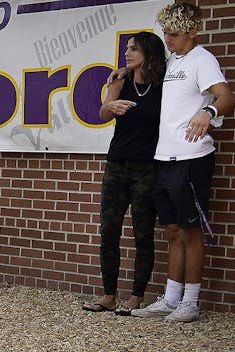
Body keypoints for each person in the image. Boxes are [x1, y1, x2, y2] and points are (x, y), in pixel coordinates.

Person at [132, 2, 235, 322]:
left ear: (192, 31)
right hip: (165, 158)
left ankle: (190, 302)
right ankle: (171, 297)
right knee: (173, 230)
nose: (168, 39)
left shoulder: (202, 60)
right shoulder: (174, 59)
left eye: (174, 34)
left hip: (191, 158)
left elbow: (227, 96)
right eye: (165, 32)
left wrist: (209, 112)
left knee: (191, 232)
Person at [84, 32, 167, 316]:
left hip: (148, 166)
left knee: (143, 233)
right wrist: (111, 106)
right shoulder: (120, 79)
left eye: (134, 49)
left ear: (150, 52)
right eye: (127, 48)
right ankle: (108, 294)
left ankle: (136, 296)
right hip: (117, 164)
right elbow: (103, 113)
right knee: (109, 231)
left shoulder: (164, 83)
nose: (127, 53)